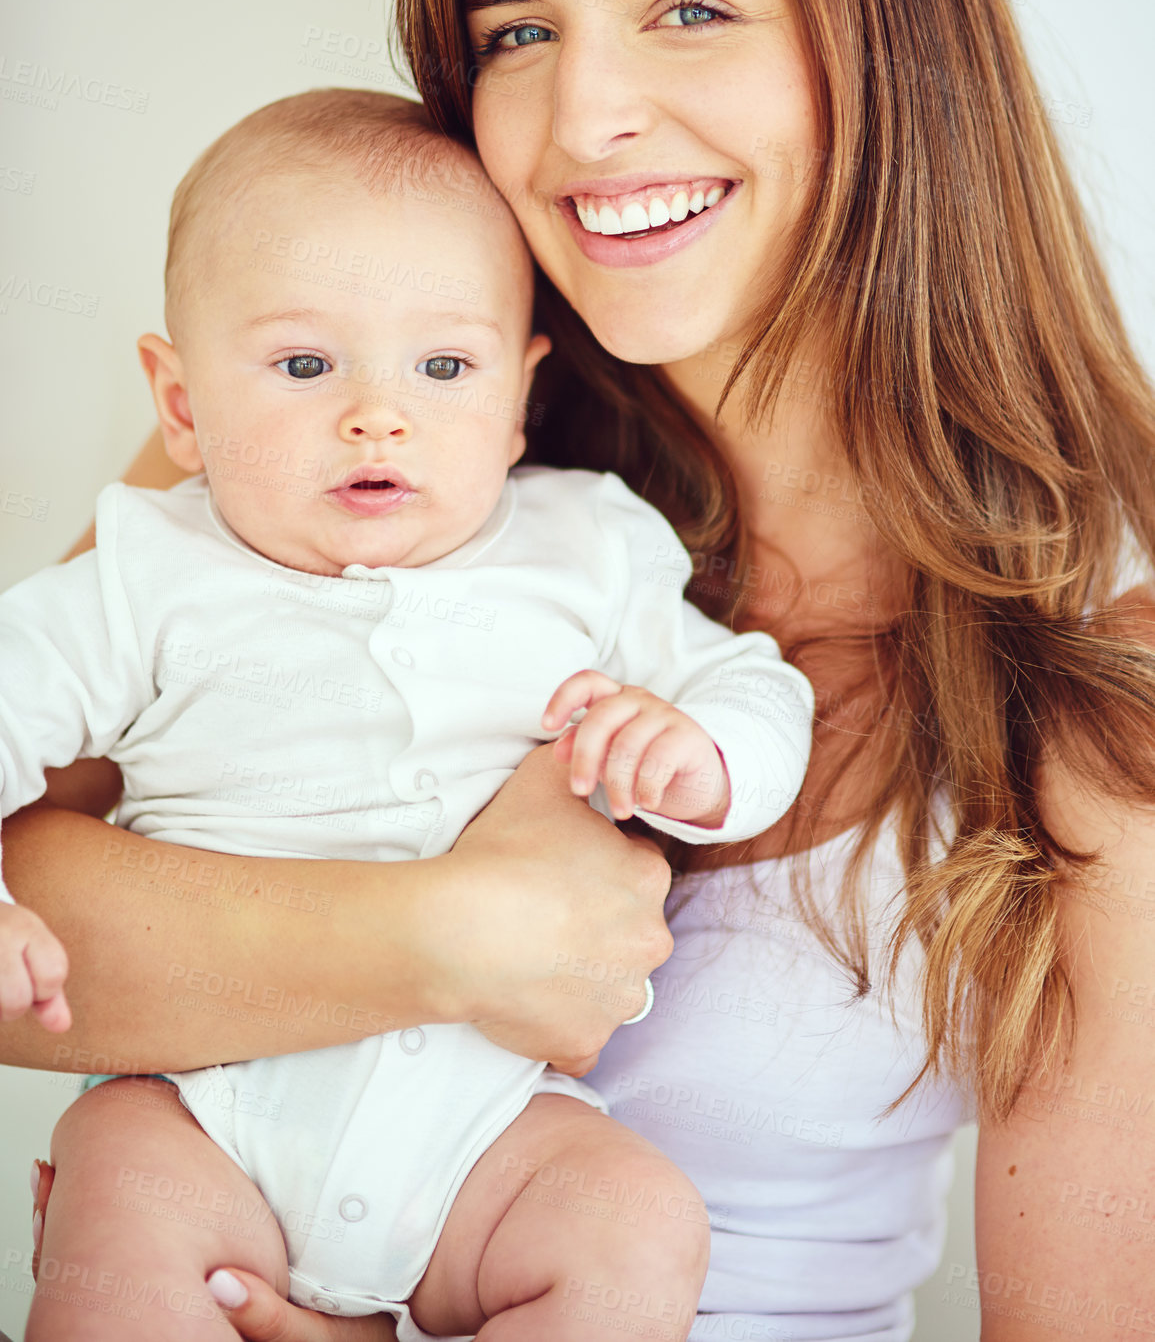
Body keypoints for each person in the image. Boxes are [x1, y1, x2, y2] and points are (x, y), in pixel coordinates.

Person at [16, 0, 1155, 1341]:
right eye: (517, 32)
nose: (585, 115)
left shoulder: (1095, 644)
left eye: (690, 6)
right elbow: (42, 936)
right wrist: (455, 933)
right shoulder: (352, 437)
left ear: (886, 44)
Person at [5, 86, 813, 1339]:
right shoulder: (143, 572)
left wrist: (705, 756)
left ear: (519, 399)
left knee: (636, 1224)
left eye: (444, 366)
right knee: (114, 1183)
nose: (378, 413)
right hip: (204, 1112)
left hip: (482, 1143)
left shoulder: (587, 543)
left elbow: (752, 683)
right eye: (304, 364)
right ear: (181, 406)